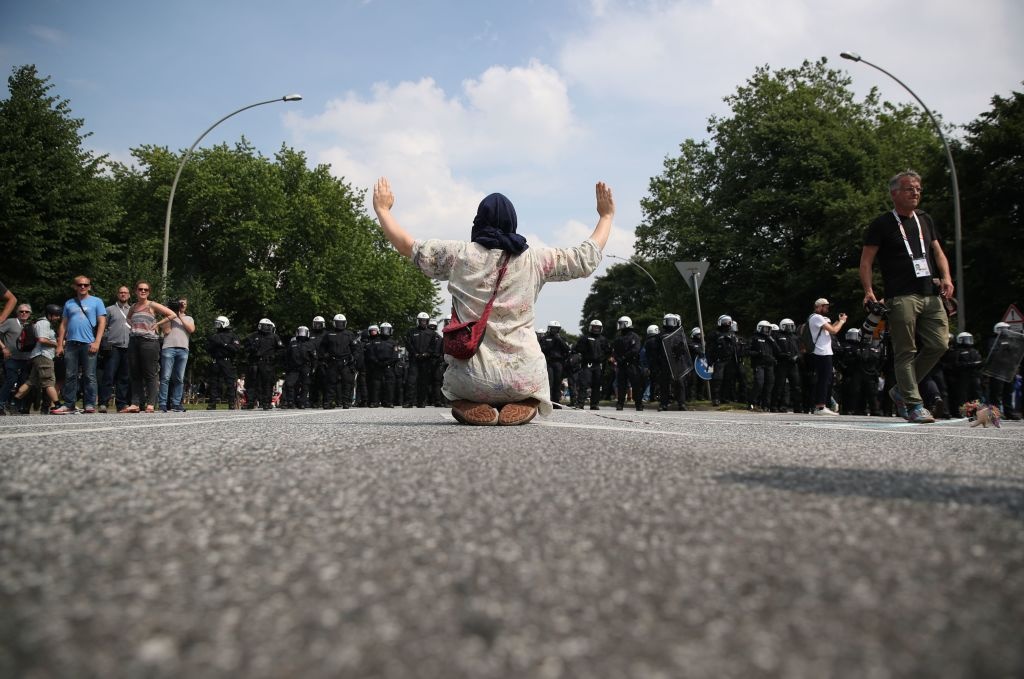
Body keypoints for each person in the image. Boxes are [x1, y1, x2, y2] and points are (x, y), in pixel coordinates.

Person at [372, 177, 613, 425]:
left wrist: (382, 210)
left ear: (478, 221)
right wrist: (605, 217)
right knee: (529, 384)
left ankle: (466, 401)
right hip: (523, 376)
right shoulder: (536, 260)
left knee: (457, 384)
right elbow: (585, 259)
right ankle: (525, 401)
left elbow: (407, 246)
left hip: (471, 377)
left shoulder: (459, 255)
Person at [860, 170, 954, 424]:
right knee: (905, 351)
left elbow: (937, 251)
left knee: (939, 344)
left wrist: (946, 277)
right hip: (900, 296)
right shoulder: (882, 224)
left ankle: (901, 390)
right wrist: (869, 290)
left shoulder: (925, 219)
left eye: (918, 189)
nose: (916, 193)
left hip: (930, 293)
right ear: (894, 194)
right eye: (909, 188)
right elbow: (866, 261)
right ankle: (913, 405)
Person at [53, 276, 108, 414]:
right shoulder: (69, 303)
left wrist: (97, 341)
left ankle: (89, 404)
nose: (82, 287)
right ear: (75, 286)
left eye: (85, 285)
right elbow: (63, 325)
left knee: (89, 375)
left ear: (89, 286)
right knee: (70, 374)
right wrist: (60, 345)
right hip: (71, 343)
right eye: (80, 285)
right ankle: (69, 403)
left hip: (89, 343)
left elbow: (102, 322)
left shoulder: (97, 301)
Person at [124, 281, 176, 413]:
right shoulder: (134, 306)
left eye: (145, 290)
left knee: (150, 373)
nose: (143, 291)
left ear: (148, 292)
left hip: (149, 342)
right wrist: (135, 327)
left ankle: (151, 404)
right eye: (140, 289)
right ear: (135, 291)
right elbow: (128, 319)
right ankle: (135, 403)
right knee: (135, 373)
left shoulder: (152, 305)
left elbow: (172, 314)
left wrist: (157, 323)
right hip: (134, 340)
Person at [9, 305, 63, 413]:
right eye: (56, 315)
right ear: (49, 314)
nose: (58, 317)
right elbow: (42, 340)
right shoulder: (44, 323)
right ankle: (57, 405)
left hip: (40, 356)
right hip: (43, 356)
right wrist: (57, 344)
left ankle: (13, 402)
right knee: (49, 381)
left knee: (31, 381)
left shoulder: (45, 323)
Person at [808, 298, 846, 416]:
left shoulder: (817, 318)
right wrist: (842, 322)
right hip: (822, 352)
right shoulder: (816, 317)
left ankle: (822, 405)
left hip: (824, 352)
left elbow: (829, 331)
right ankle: (820, 407)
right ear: (819, 306)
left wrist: (838, 321)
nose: (827, 308)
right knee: (824, 380)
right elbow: (834, 331)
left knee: (827, 380)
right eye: (826, 306)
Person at [98, 285, 132, 413]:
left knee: (124, 377)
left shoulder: (133, 310)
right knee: (109, 375)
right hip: (113, 346)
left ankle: (121, 404)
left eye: (125, 292)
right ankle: (103, 402)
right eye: (121, 292)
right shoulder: (109, 310)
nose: (123, 294)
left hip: (128, 346)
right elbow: (103, 326)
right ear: (118, 294)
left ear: (129, 295)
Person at [158, 298, 195, 412]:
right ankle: (163, 403)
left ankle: (176, 403)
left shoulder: (189, 318)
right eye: (180, 303)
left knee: (179, 378)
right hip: (168, 348)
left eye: (184, 303)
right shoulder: (168, 317)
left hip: (183, 349)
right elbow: (166, 331)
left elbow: (191, 329)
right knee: (165, 377)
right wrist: (170, 314)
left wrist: (179, 317)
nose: (182, 305)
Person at [0, 302, 34, 415]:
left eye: (26, 312)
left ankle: (15, 405)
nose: (24, 313)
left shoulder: (30, 325)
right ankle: (1, 403)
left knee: (23, 383)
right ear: (17, 313)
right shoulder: (10, 322)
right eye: (21, 311)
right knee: (11, 380)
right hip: (11, 357)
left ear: (30, 314)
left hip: (25, 359)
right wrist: (4, 348)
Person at [573, 319, 610, 410]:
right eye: (594, 327)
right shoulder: (585, 338)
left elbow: (608, 351)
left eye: (598, 328)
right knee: (584, 384)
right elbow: (577, 348)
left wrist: (603, 359)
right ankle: (580, 403)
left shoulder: (603, 339)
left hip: (598, 365)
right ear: (590, 327)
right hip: (587, 364)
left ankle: (594, 404)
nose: (596, 329)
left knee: (597, 385)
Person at [206, 316, 241, 409]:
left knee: (230, 382)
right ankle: (212, 403)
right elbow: (208, 349)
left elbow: (236, 349)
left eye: (219, 323)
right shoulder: (214, 336)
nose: (217, 325)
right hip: (216, 361)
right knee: (214, 382)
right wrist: (213, 344)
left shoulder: (233, 336)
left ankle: (231, 403)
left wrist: (224, 345)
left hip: (227, 361)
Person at [612, 316, 644, 412]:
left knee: (636, 385)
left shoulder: (634, 336)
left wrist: (624, 357)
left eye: (622, 323)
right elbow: (615, 351)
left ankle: (638, 404)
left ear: (627, 324)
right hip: (621, 365)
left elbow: (636, 349)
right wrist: (618, 358)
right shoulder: (618, 338)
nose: (620, 326)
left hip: (632, 364)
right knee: (621, 385)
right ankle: (620, 404)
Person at [539, 321, 572, 405]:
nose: (554, 330)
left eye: (556, 329)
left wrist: (559, 340)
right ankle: (548, 402)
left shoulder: (562, 339)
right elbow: (542, 350)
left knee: (558, 382)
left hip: (559, 363)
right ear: (549, 328)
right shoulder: (544, 338)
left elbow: (567, 349)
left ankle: (556, 402)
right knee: (550, 382)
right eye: (553, 328)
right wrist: (551, 344)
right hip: (548, 362)